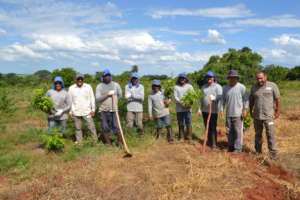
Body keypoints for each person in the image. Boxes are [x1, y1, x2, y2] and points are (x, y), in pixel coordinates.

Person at [250, 71, 280, 159]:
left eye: (261, 78)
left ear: (265, 77)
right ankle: (258, 151)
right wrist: (250, 110)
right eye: (258, 78)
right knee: (258, 134)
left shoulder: (272, 86)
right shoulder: (254, 87)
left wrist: (278, 111)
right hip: (257, 116)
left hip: (269, 116)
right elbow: (251, 100)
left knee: (270, 134)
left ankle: (273, 153)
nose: (259, 80)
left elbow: (278, 99)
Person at [221, 70, 249, 153]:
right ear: (229, 78)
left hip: (238, 114)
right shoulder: (225, 88)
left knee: (238, 131)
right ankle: (231, 146)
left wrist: (245, 110)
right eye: (231, 77)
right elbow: (223, 100)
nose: (232, 79)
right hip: (229, 113)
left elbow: (246, 100)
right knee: (229, 131)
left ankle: (238, 148)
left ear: (237, 78)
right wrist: (221, 110)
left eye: (234, 77)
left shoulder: (241, 87)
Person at [68, 73, 98, 144]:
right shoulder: (71, 88)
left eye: (81, 79)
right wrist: (70, 112)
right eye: (78, 79)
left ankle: (95, 142)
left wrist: (93, 109)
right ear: (76, 80)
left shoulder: (88, 87)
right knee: (78, 128)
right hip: (76, 112)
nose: (80, 80)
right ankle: (80, 143)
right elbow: (69, 101)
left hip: (87, 111)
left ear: (83, 79)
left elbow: (92, 98)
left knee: (91, 127)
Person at [95, 69, 122, 146]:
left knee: (116, 127)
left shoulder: (116, 85)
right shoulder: (99, 86)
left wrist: (115, 101)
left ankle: (121, 143)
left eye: (108, 75)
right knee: (105, 127)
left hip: (114, 110)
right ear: (103, 77)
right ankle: (108, 144)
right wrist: (107, 95)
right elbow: (97, 99)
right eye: (105, 76)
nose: (107, 77)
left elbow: (120, 95)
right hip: (103, 110)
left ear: (110, 76)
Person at [197, 72, 223, 149]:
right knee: (207, 126)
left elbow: (220, 98)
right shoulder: (203, 87)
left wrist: (214, 98)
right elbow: (201, 99)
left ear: (213, 78)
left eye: (210, 77)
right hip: (205, 110)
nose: (209, 78)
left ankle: (214, 144)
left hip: (214, 110)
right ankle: (209, 142)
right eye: (208, 77)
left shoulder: (218, 87)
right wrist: (199, 109)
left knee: (213, 127)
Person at [174, 73, 194, 141]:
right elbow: (175, 97)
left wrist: (190, 102)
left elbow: (193, 95)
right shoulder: (176, 87)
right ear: (179, 79)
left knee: (189, 122)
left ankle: (189, 137)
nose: (182, 79)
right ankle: (181, 137)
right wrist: (181, 102)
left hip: (188, 108)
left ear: (185, 79)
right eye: (181, 78)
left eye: (183, 78)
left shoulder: (189, 86)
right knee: (180, 123)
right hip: (179, 109)